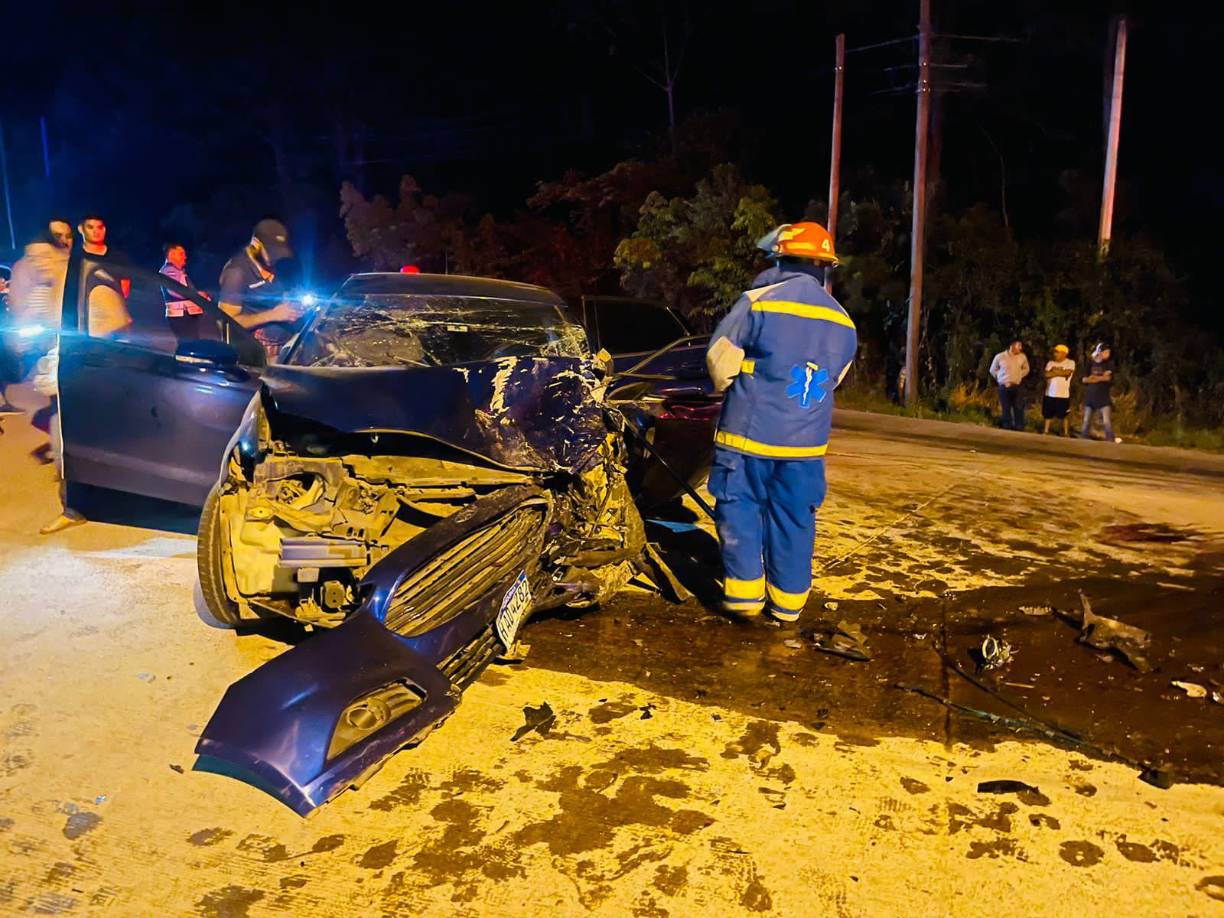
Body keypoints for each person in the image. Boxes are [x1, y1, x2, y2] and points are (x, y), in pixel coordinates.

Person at [705, 222, 857, 623]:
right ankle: (788, 606)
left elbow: (720, 363)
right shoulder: (844, 322)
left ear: (779, 259)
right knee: (793, 517)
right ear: (826, 267)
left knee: (739, 507)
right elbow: (833, 379)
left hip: (748, 437)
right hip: (806, 447)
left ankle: (744, 599)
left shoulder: (759, 302)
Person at [217, 219, 302, 358]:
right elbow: (226, 324)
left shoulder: (279, 265)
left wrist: (292, 311)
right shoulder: (237, 272)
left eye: (280, 252)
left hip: (285, 349)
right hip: (256, 357)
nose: (277, 257)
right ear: (256, 245)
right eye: (272, 252)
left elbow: (283, 297)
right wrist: (273, 315)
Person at [160, 243, 206, 340]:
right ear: (172, 255)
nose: (185, 257)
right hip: (181, 315)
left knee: (190, 343)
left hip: (184, 315)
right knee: (189, 344)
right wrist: (197, 295)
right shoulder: (169, 271)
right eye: (181, 254)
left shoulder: (175, 271)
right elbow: (176, 291)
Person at [989, 338, 1030, 431]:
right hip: (1004, 385)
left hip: (1017, 385)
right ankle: (1006, 425)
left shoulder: (1022, 357)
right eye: (1018, 346)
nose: (1020, 348)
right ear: (1012, 346)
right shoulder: (1000, 356)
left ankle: (1019, 426)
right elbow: (992, 370)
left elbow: (1026, 369)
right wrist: (1000, 378)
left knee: (1018, 406)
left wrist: (1020, 375)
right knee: (1006, 406)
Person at [1080, 342, 1117, 442]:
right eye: (1106, 352)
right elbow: (1084, 379)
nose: (1108, 354)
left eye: (1109, 352)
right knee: (1086, 419)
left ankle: (1110, 439)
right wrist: (1099, 378)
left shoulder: (1109, 364)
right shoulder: (1090, 363)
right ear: (1100, 352)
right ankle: (1083, 437)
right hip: (1090, 395)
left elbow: (1107, 378)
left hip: (1103, 396)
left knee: (1106, 421)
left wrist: (1094, 378)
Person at [1042, 343, 1075, 436]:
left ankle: (1065, 432)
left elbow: (1067, 373)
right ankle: (1046, 431)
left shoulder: (1070, 363)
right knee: (1047, 414)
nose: (1055, 354)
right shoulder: (1050, 363)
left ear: (1064, 353)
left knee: (1064, 415)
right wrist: (1060, 372)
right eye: (1054, 352)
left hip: (1063, 394)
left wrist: (1054, 371)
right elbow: (1046, 375)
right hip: (1050, 393)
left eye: (1057, 352)